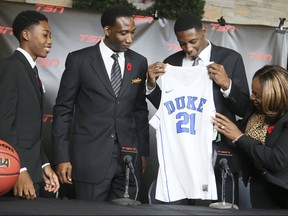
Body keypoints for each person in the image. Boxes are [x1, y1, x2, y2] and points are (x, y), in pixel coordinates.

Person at [146, 14, 250, 205]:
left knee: (218, 211)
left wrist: (227, 84)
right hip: (181, 154)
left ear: (204, 31)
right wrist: (151, 85)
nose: (189, 48)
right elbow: (169, 108)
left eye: (192, 41)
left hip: (219, 156)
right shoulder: (171, 62)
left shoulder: (231, 58)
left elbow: (245, 109)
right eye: (182, 43)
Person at [52, 5, 149, 202]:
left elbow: (140, 111)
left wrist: (143, 153)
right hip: (90, 159)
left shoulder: (139, 62)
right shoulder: (79, 60)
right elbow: (63, 110)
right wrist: (61, 157)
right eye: (123, 33)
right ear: (107, 30)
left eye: (132, 32)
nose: (129, 39)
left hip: (129, 160)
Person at [0, 10, 60, 200]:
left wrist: (44, 165)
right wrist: (19, 170)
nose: (50, 41)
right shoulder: (11, 67)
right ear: (26, 35)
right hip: (15, 175)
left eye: (50, 35)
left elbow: (30, 129)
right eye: (45, 35)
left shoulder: (30, 70)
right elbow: (3, 125)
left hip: (31, 171)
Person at [212, 65, 288, 209]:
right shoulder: (257, 109)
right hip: (259, 185)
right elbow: (243, 103)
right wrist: (226, 84)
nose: (252, 97)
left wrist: (239, 137)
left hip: (282, 192)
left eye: (257, 94)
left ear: (273, 95)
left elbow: (276, 160)